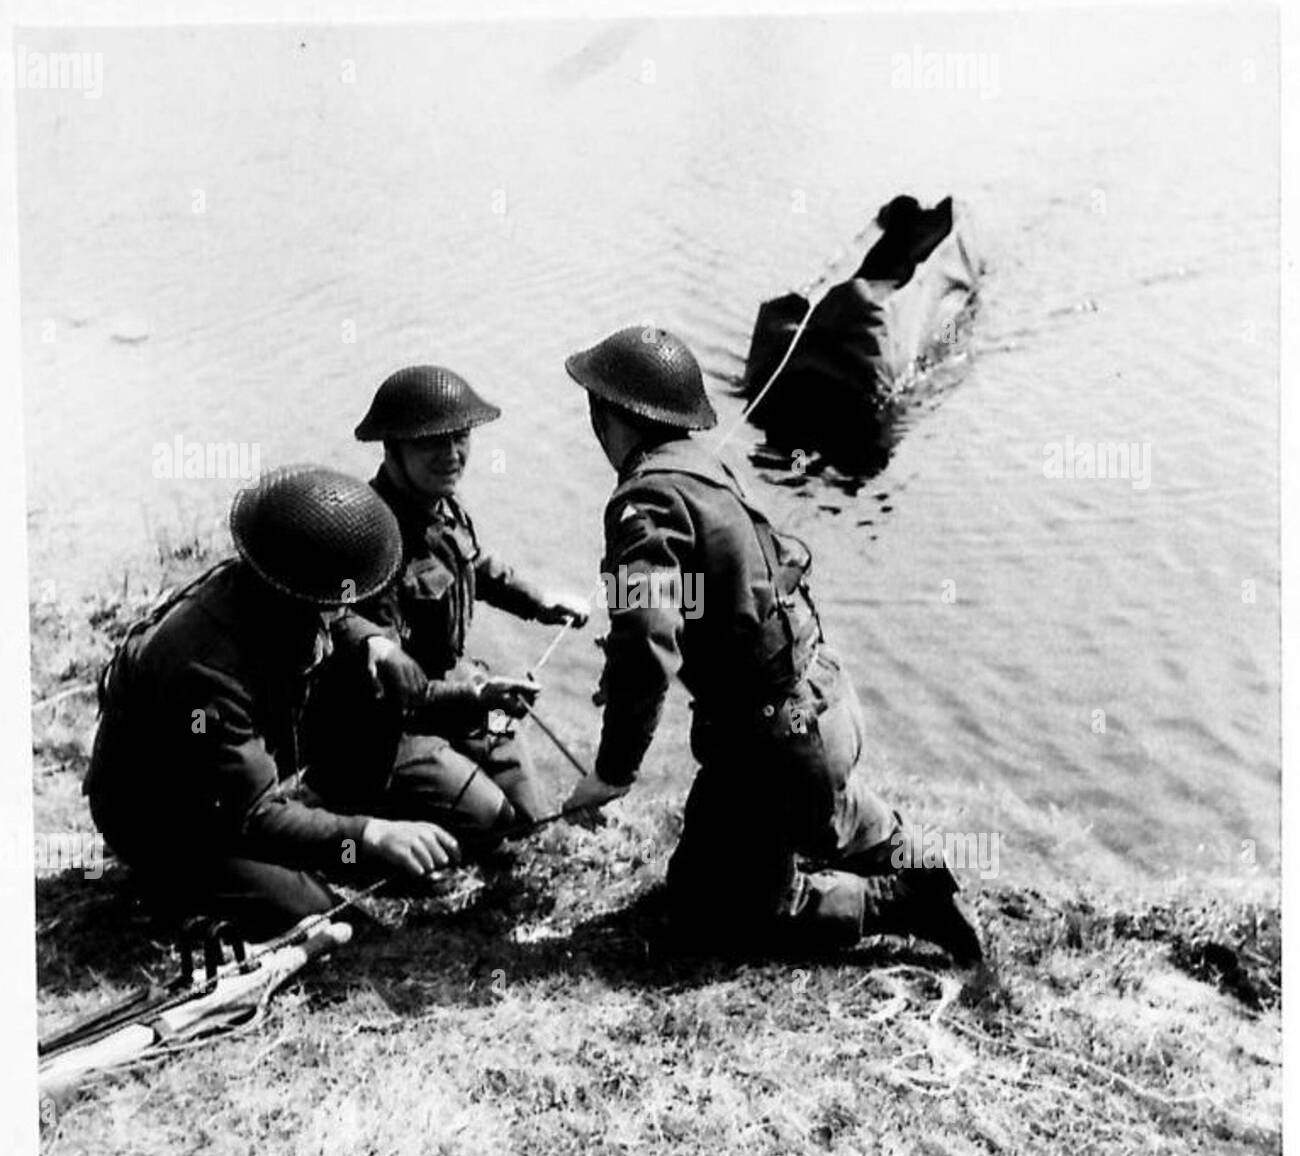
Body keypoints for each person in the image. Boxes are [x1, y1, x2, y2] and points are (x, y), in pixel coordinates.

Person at [560, 326, 982, 963]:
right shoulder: (705, 468)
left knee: (716, 919)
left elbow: (647, 638)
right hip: (823, 703)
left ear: (606, 414)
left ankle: (897, 902)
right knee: (722, 867)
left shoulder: (643, 499)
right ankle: (913, 858)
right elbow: (705, 604)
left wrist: (611, 773)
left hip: (775, 743)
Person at [84, 466, 462, 941]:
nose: (341, 609)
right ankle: (174, 881)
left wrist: (378, 644)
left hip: (218, 779)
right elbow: (254, 816)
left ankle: (326, 839)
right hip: (167, 816)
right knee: (323, 914)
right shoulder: (205, 672)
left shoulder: (265, 586)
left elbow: (335, 617)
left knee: (364, 687)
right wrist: (370, 834)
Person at [304, 365, 590, 849]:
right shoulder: (369, 539)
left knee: (530, 818)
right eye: (432, 442)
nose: (453, 454)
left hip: (452, 688)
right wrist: (478, 698)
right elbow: (394, 690)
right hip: (387, 728)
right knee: (495, 824)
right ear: (392, 447)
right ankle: (348, 805)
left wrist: (539, 601)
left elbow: (473, 564)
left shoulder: (441, 503)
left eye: (461, 438)